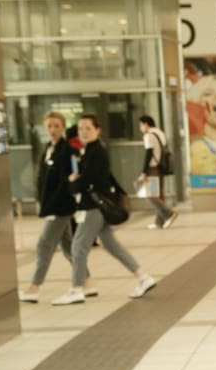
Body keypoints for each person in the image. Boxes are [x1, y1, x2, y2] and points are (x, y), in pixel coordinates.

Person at [52, 114, 155, 305]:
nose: (83, 132)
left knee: (78, 246)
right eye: (81, 128)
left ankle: (76, 289)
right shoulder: (91, 150)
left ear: (97, 130)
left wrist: (73, 182)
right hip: (98, 205)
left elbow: (87, 181)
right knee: (110, 244)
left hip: (95, 206)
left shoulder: (95, 151)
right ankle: (143, 277)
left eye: (88, 128)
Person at [18, 112, 97, 303]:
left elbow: (67, 182)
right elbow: (43, 179)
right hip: (51, 205)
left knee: (43, 246)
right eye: (49, 126)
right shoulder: (47, 149)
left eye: (56, 126)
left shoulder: (67, 151)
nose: (52, 130)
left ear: (62, 127)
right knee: (69, 247)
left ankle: (33, 287)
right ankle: (86, 282)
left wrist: (51, 205)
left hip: (60, 207)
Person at [137, 116, 178, 230]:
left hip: (152, 168)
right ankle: (159, 222)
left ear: (146, 124)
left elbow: (149, 153)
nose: (140, 128)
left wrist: (144, 171)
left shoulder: (148, 135)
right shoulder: (160, 133)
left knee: (150, 195)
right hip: (161, 167)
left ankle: (169, 214)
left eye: (140, 125)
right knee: (159, 195)